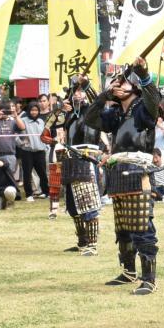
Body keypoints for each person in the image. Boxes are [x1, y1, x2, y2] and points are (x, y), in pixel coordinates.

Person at [85, 58, 160, 295]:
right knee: (123, 227)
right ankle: (128, 271)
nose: (118, 85)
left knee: (141, 226)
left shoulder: (143, 109)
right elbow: (90, 118)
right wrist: (104, 96)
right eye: (116, 83)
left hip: (138, 172)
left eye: (123, 82)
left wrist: (144, 74)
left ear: (135, 86)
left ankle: (149, 279)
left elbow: (154, 100)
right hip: (117, 173)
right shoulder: (116, 113)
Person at [56, 76, 103, 256]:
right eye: (75, 91)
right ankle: (82, 241)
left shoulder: (93, 110)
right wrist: (61, 108)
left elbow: (97, 100)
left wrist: (86, 84)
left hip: (87, 156)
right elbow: (50, 124)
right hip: (70, 157)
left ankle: (92, 244)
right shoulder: (68, 113)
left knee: (88, 202)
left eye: (81, 91)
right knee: (72, 204)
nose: (78, 94)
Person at [18, 102, 49, 201]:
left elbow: (45, 135)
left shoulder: (41, 121)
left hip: (40, 151)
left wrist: (46, 145)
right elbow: (16, 135)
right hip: (27, 152)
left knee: (42, 173)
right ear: (28, 111)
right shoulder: (23, 120)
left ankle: (46, 192)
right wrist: (21, 143)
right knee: (27, 174)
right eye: (32, 110)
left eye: (36, 110)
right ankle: (29, 194)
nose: (34, 112)